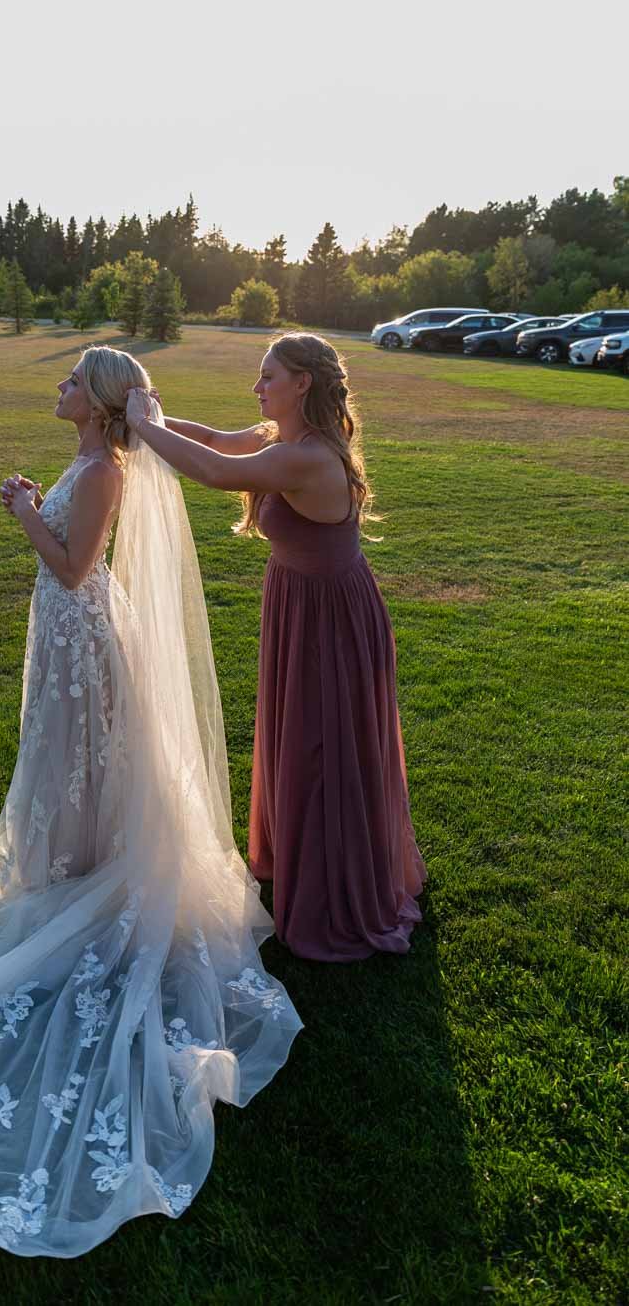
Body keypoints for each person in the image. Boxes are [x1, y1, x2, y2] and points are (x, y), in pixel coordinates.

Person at [0, 346, 300, 1257]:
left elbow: (77, 566)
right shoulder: (90, 462)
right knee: (66, 771)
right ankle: (75, 869)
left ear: (100, 403)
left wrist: (20, 514)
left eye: (71, 381)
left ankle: (83, 885)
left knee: (76, 767)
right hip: (69, 639)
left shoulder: (105, 470)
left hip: (83, 639)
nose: (59, 389)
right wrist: (36, 502)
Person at [125, 332, 426, 962]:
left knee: (324, 745)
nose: (256, 388)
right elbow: (211, 439)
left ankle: (337, 887)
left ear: (302, 385)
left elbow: (214, 471)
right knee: (302, 737)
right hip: (300, 601)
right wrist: (148, 415)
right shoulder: (281, 441)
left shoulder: (309, 457)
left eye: (267, 377)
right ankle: (303, 860)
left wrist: (138, 425)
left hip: (331, 616)